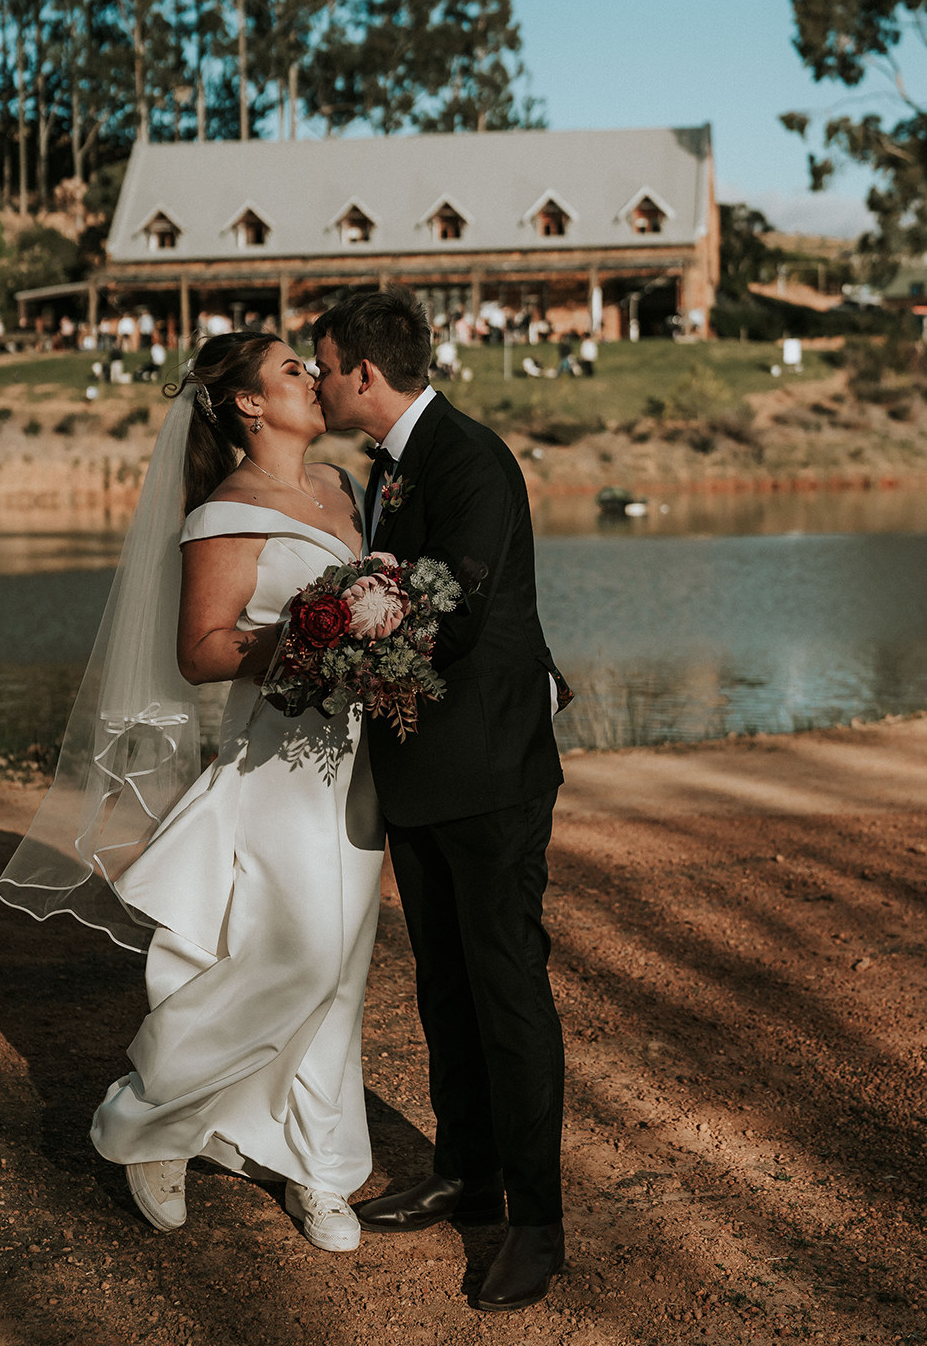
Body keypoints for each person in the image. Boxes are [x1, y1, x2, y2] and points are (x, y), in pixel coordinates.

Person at [0, 332, 384, 1254]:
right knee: (302, 956)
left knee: (346, 972)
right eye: (294, 368)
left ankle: (316, 1169)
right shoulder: (225, 513)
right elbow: (201, 650)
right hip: (279, 763)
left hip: (360, 764)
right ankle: (147, 1118)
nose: (313, 378)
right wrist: (308, 641)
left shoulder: (340, 488)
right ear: (249, 404)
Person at [312, 288, 569, 1314]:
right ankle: (465, 1170)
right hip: (418, 770)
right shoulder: (392, 468)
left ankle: (535, 1222)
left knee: (505, 990)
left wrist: (327, 625)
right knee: (444, 986)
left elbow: (448, 616)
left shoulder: (471, 461)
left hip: (490, 771)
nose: (320, 379)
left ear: (363, 374)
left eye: (323, 364)